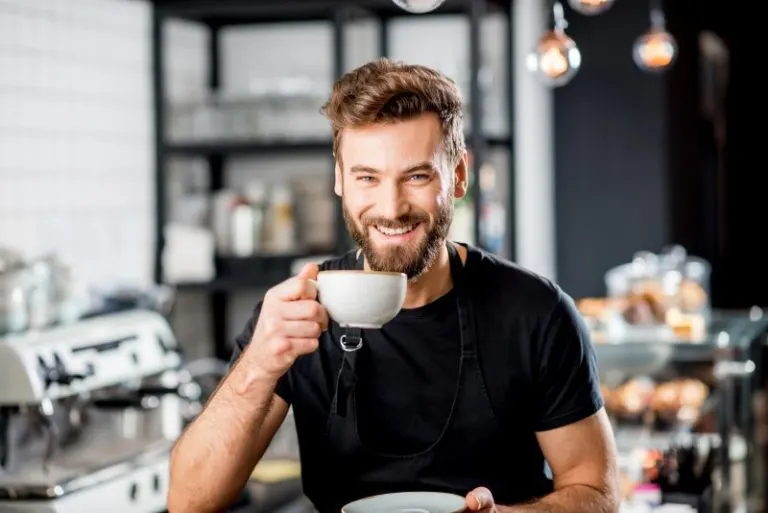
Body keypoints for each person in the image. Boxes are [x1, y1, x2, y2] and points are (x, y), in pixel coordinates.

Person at [167, 58, 620, 513]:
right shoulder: (297, 314)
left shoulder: (535, 312)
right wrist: (257, 367)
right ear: (340, 179)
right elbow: (188, 501)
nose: (392, 207)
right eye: (367, 177)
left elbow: (598, 495)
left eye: (417, 176)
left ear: (459, 175)